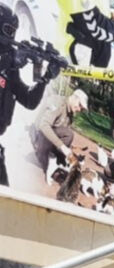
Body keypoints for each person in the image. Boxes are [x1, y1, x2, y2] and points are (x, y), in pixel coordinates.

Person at [1, 11, 61, 185]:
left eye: (13, 30)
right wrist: (11, 61)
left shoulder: (10, 66)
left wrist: (45, 78)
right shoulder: (7, 61)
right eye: (6, 29)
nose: (11, 35)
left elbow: (29, 101)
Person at [31, 89, 88, 178]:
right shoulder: (58, 102)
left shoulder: (70, 113)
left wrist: (68, 150)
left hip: (47, 140)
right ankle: (44, 155)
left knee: (68, 136)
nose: (79, 109)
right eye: (80, 105)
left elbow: (61, 135)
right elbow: (43, 125)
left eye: (82, 109)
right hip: (38, 137)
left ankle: (53, 158)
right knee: (69, 134)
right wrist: (62, 147)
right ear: (74, 98)